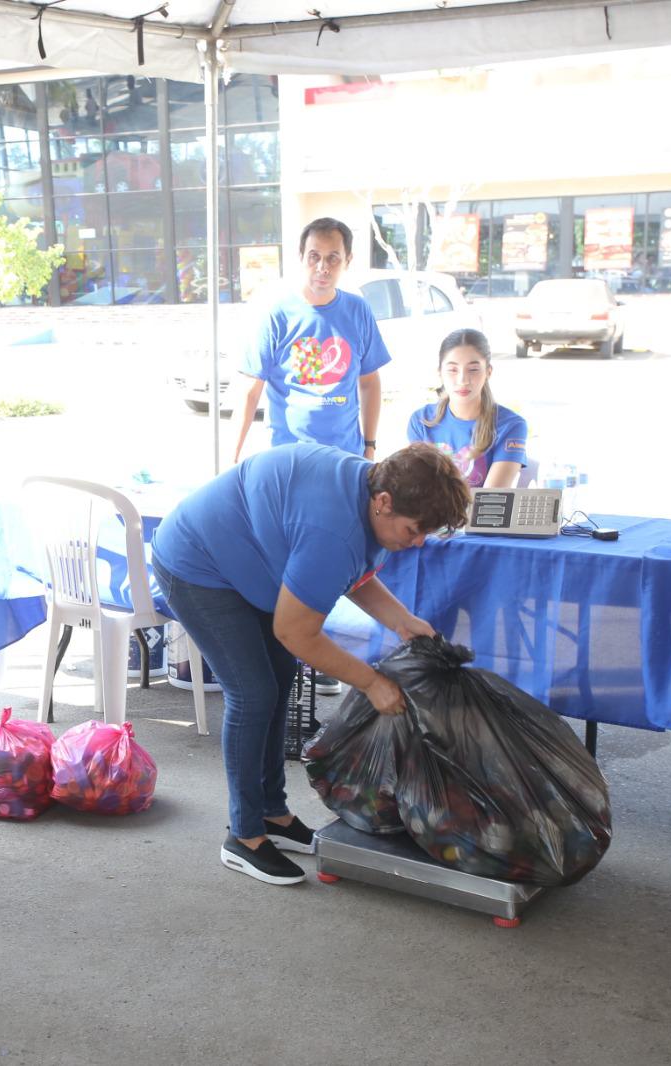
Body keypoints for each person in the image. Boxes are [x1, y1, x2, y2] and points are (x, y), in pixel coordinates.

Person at [151, 443, 471, 886]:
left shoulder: (371, 494)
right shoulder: (333, 529)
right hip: (197, 564)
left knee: (280, 681)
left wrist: (402, 621)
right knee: (253, 693)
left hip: (251, 560)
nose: (417, 542)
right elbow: (297, 632)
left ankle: (273, 812)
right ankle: (243, 836)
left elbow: (352, 572)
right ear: (383, 503)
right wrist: (372, 683)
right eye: (415, 529)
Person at [233, 218, 391, 465]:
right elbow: (250, 393)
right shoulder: (277, 315)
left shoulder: (358, 311)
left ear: (347, 261)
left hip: (346, 459)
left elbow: (370, 382)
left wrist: (369, 447)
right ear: (301, 257)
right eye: (314, 256)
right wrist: (232, 459)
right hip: (288, 459)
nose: (322, 267)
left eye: (333, 258)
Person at [406, 328, 528, 488]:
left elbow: (490, 500)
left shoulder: (511, 425)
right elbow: (416, 490)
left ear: (488, 372)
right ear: (440, 372)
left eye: (473, 369)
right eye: (452, 370)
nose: (463, 380)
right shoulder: (421, 421)